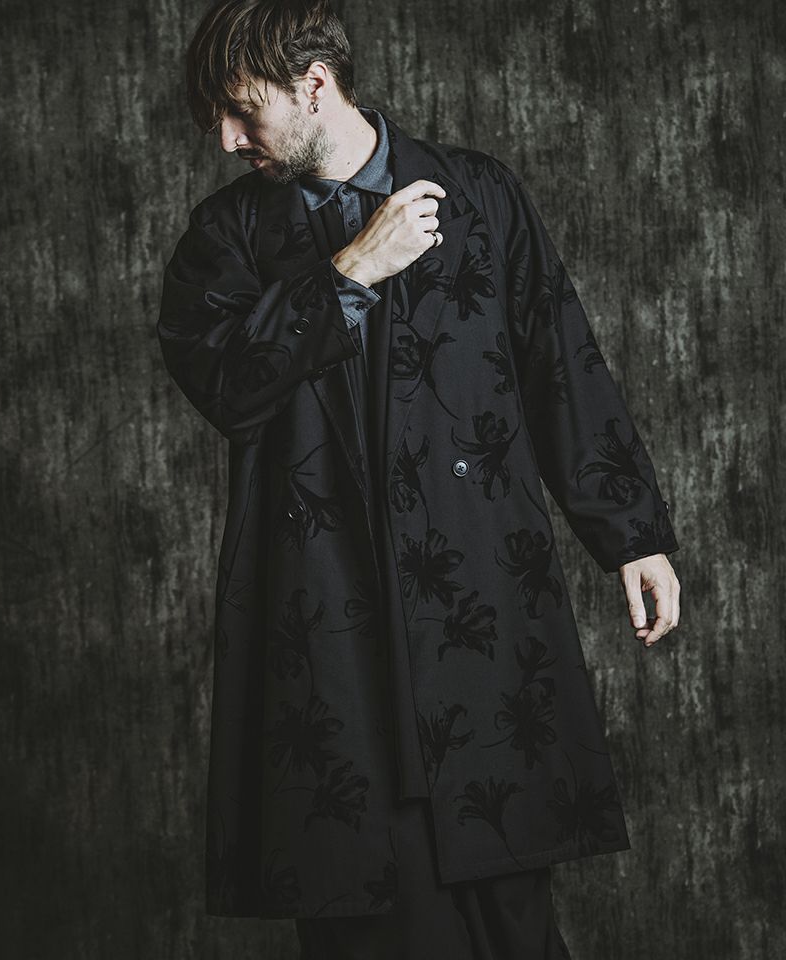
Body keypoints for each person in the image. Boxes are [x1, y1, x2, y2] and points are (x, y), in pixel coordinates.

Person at [156, 1, 682, 956]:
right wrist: (349, 274)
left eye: (241, 110)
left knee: (514, 917)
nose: (226, 139)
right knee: (366, 914)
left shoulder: (479, 194)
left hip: (477, 607)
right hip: (327, 619)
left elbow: (557, 358)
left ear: (314, 84)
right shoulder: (226, 237)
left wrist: (631, 533)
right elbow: (224, 386)